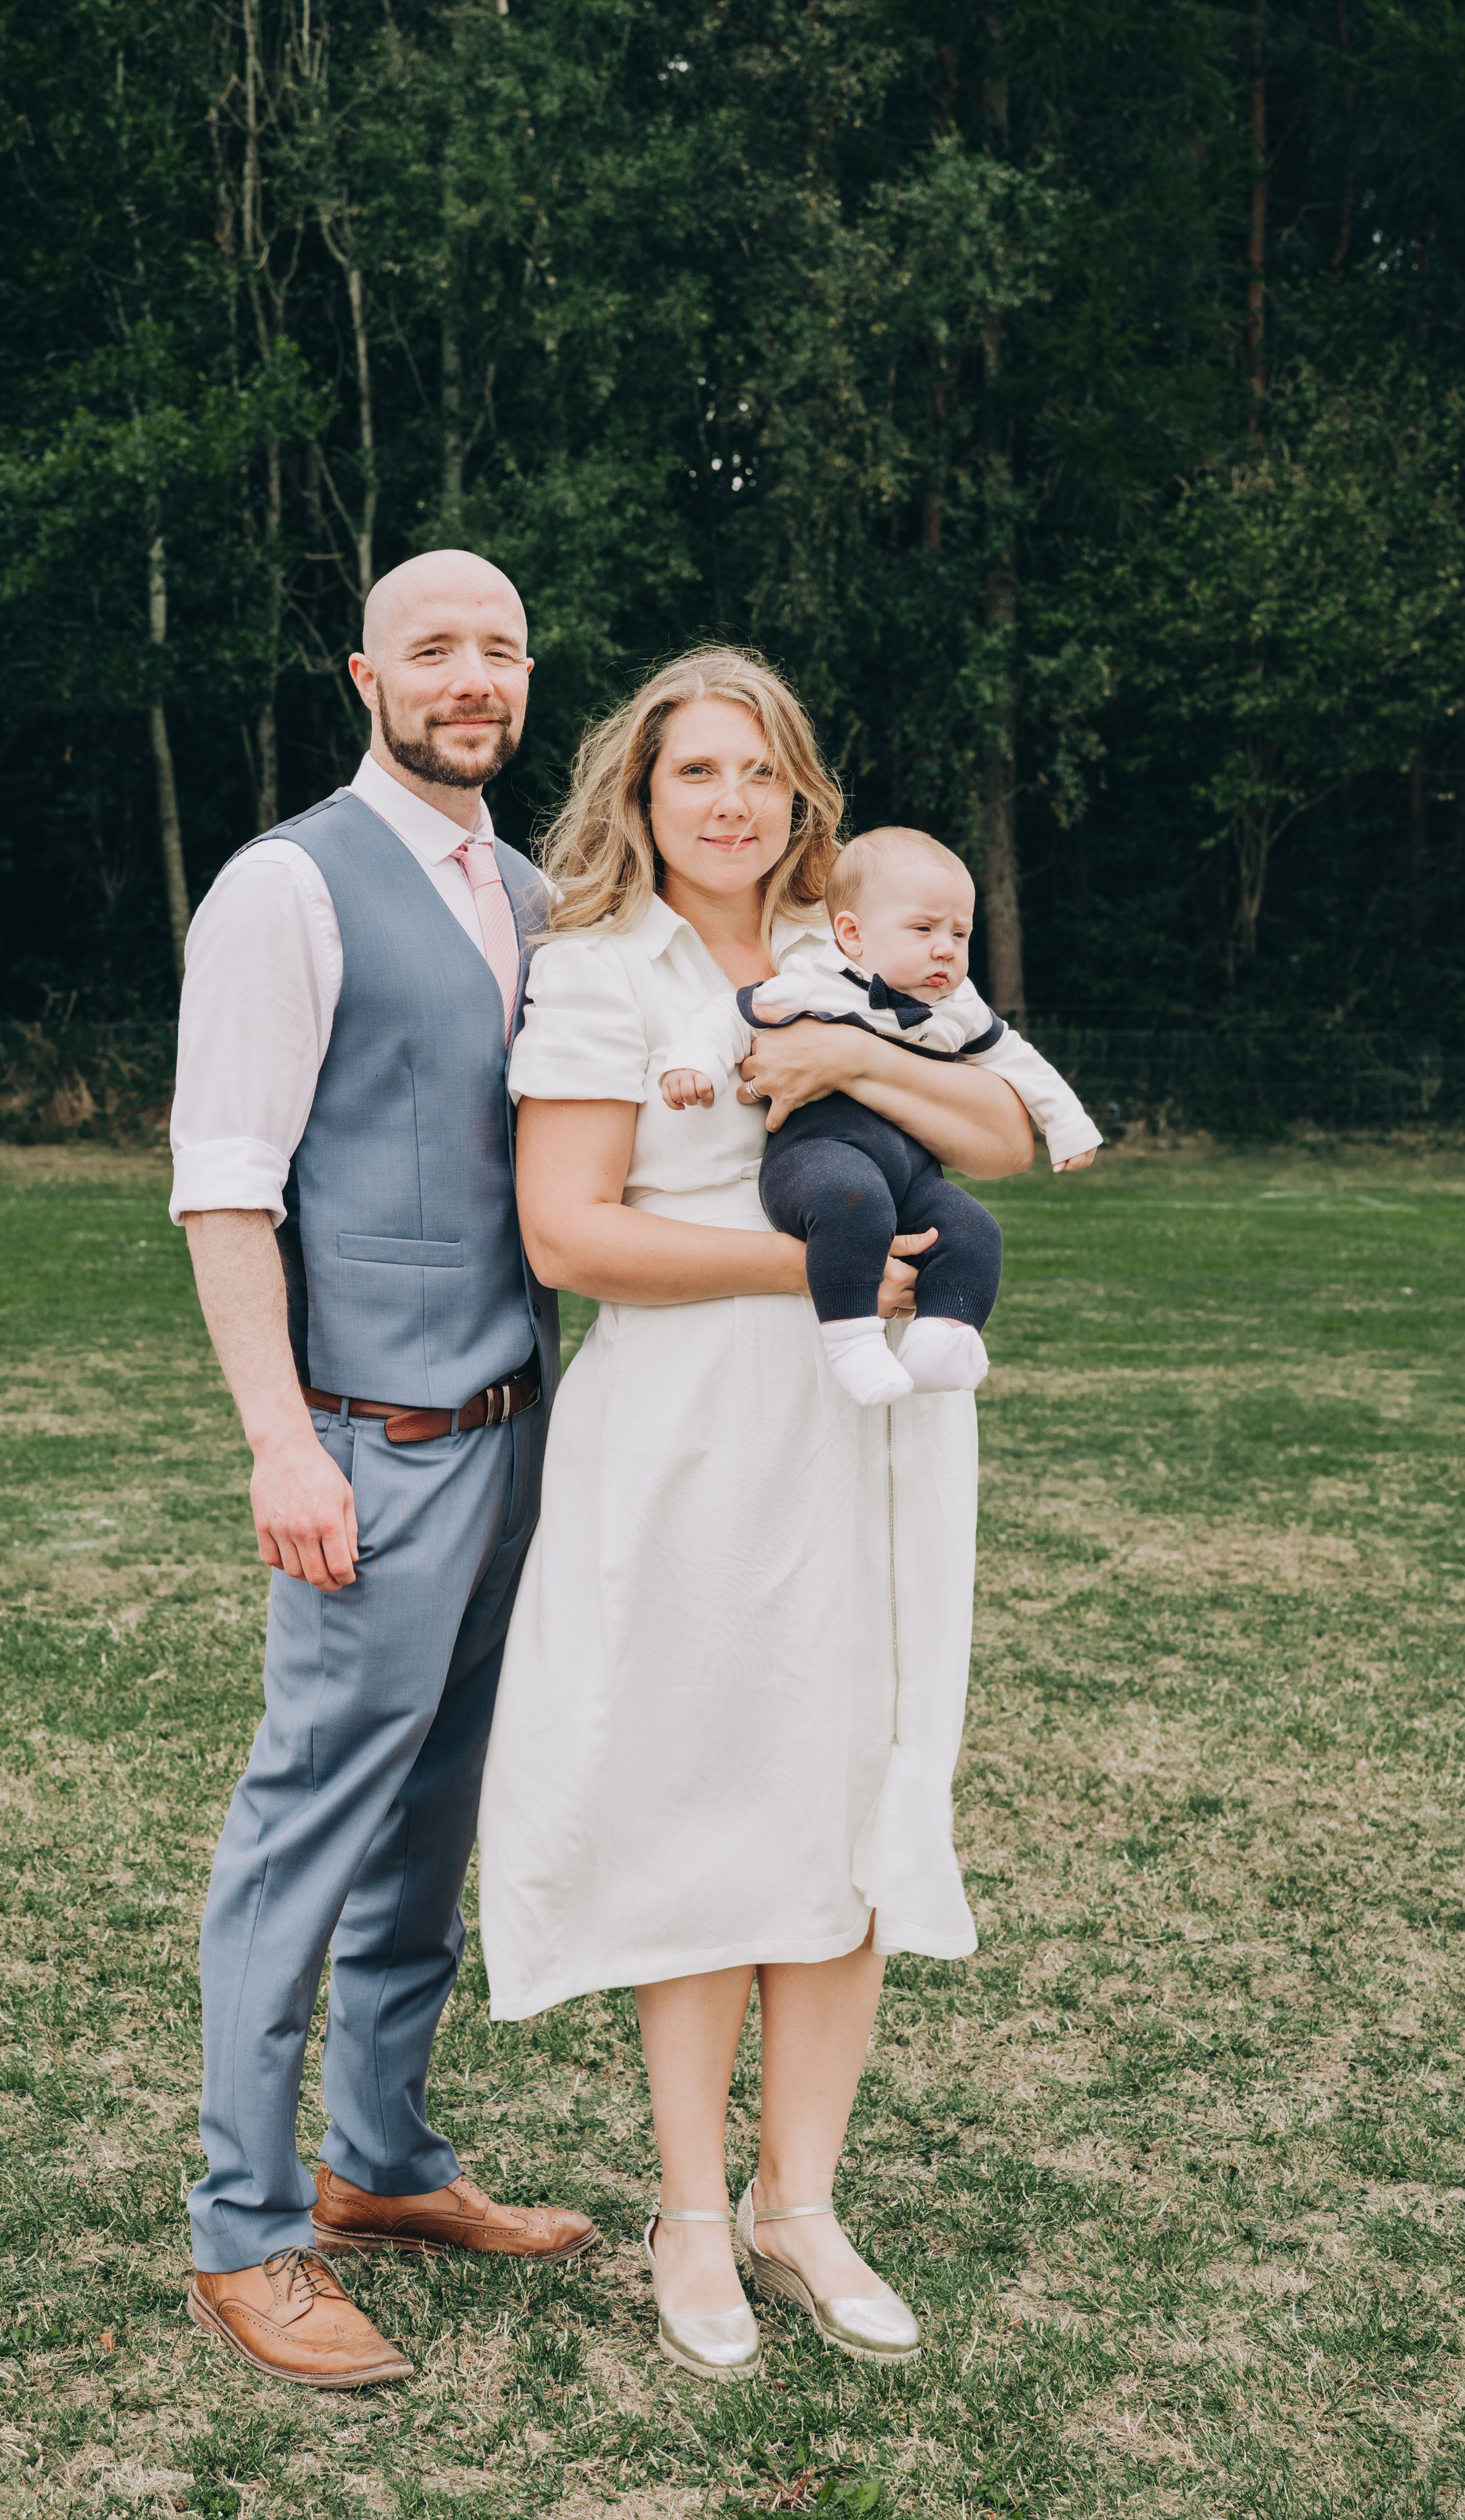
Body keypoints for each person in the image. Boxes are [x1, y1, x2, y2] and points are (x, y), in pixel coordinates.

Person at [476, 650, 1034, 2384]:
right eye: (690, 772)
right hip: (690, 1437)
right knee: (704, 1801)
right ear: (639, 798)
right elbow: (567, 1235)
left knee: (852, 1793)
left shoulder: (844, 948)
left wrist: (877, 1068)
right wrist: (821, 1267)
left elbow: (1005, 1129)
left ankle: (803, 2198)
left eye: (757, 772)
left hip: (866, 1440)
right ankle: (693, 2212)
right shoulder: (590, 973)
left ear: (802, 796)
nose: (725, 801)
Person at [170, 549, 595, 2394]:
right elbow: (225, 1183)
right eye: (435, 647)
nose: (471, 677)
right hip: (369, 1441)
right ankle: (246, 2230)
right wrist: (284, 1441)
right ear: (368, 674)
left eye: (499, 649)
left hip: (521, 1440)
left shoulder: (532, 889)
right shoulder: (286, 886)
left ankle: (387, 2165)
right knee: (308, 1826)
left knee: (435, 1820)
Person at [657, 823, 1101, 1405]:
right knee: (853, 1201)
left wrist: (1067, 1124)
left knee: (975, 1230)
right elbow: (732, 1016)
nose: (946, 947)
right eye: (924, 929)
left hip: (913, 1177)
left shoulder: (957, 1006)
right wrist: (694, 1064)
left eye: (960, 933)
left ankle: (942, 1338)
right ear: (853, 934)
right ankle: (852, 1341)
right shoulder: (818, 979)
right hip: (816, 1157)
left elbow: (1017, 1060)